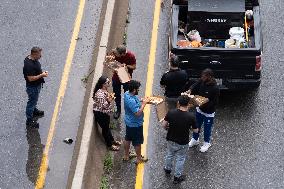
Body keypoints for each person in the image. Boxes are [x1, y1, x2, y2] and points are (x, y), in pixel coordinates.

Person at [162, 95, 198, 184]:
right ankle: (177, 177)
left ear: (178, 103)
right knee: (180, 159)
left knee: (169, 154)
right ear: (188, 104)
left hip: (171, 139)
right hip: (183, 141)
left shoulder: (171, 112)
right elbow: (196, 130)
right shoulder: (191, 116)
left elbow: (164, 125)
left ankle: (167, 169)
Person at [187, 68, 220, 152]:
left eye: (204, 76)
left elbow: (214, 102)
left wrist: (204, 104)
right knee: (196, 125)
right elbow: (195, 85)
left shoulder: (215, 88)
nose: (202, 77)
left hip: (209, 112)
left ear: (209, 77)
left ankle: (206, 143)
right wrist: (190, 90)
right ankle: (195, 139)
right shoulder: (202, 81)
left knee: (207, 128)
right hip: (199, 109)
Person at [105, 45, 136, 119]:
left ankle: (128, 110)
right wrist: (109, 58)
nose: (116, 55)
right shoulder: (115, 52)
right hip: (116, 77)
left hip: (125, 77)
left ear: (123, 54)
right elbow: (109, 58)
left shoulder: (131, 56)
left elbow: (134, 67)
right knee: (117, 94)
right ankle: (118, 110)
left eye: (117, 54)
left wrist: (126, 66)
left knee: (127, 95)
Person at [123, 80, 149, 164]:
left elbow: (134, 101)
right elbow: (137, 113)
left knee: (128, 138)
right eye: (137, 89)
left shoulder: (127, 93)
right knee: (137, 142)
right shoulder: (131, 101)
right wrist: (144, 104)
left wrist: (141, 100)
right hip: (135, 124)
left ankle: (126, 155)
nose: (138, 90)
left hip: (129, 122)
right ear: (134, 90)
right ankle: (138, 158)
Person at [93, 76, 122, 151]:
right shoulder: (99, 94)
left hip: (106, 113)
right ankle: (110, 145)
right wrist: (109, 100)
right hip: (101, 114)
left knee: (107, 128)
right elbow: (103, 106)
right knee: (105, 130)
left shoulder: (104, 90)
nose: (109, 83)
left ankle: (112, 140)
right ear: (103, 84)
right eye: (108, 82)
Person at [23, 47, 48, 128]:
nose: (41, 56)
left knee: (34, 100)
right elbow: (30, 78)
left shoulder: (31, 58)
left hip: (36, 85)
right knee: (31, 102)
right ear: (34, 54)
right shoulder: (28, 65)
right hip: (32, 87)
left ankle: (34, 110)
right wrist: (42, 75)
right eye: (39, 54)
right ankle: (29, 120)